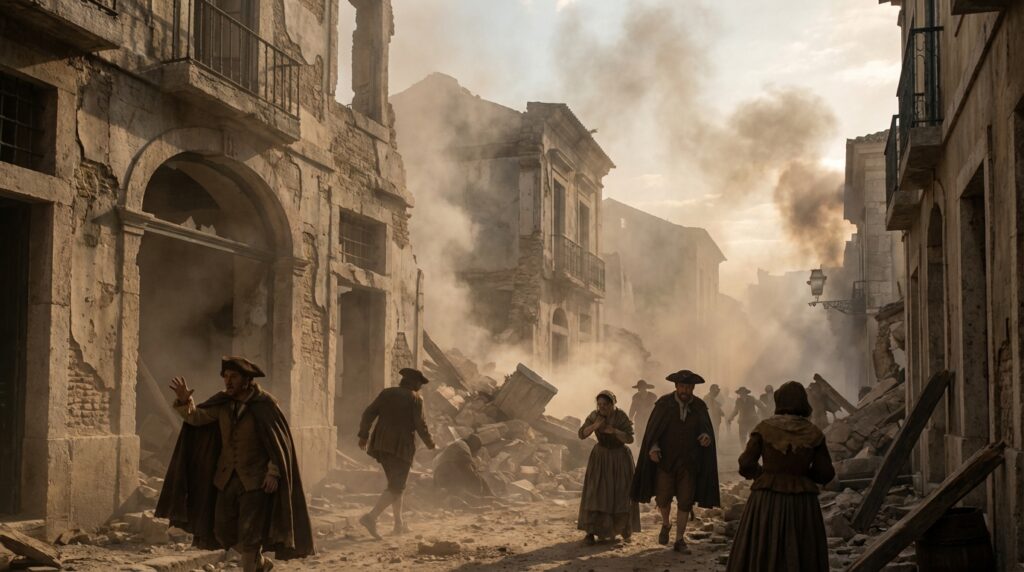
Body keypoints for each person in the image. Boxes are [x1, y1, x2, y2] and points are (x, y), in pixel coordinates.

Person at [157, 356, 314, 572]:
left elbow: (277, 443)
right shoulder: (223, 404)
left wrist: (273, 472)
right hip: (225, 479)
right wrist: (185, 402)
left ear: (247, 380)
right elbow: (197, 418)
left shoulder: (265, 405)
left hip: (255, 483)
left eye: (234, 377)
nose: (228, 382)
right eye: (226, 377)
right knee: (221, 532)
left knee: (249, 538)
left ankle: (251, 561)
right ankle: (259, 563)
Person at [726, 381, 836, 572]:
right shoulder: (813, 432)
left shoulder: (764, 428)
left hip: (766, 498)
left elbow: (745, 464)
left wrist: (765, 475)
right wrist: (802, 476)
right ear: (803, 402)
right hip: (802, 502)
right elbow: (825, 473)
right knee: (803, 550)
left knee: (763, 545)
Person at [631, 370, 720, 553]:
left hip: (689, 463)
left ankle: (679, 539)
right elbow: (653, 432)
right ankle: (666, 523)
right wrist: (653, 448)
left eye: (688, 387)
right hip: (666, 462)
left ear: (693, 388)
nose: (685, 390)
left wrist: (705, 437)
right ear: (676, 387)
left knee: (685, 501)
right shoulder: (664, 404)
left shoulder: (699, 406)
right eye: (682, 386)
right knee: (663, 499)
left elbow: (705, 429)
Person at [357, 368, 436, 539]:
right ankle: (371, 518)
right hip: (401, 447)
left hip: (381, 444)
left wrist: (364, 435)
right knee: (396, 486)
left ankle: (398, 524)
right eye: (420, 383)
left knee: (396, 484)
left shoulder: (387, 393)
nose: (420, 387)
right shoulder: (416, 398)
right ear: (414, 383)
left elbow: (368, 413)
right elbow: (420, 425)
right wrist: (431, 444)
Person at [577, 390, 642, 545]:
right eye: (599, 404)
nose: (602, 407)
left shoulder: (621, 417)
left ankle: (624, 530)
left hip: (620, 458)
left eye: (605, 404)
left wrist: (614, 431)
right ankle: (591, 532)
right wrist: (595, 425)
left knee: (620, 492)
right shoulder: (594, 415)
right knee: (596, 492)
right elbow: (581, 434)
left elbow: (630, 438)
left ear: (613, 404)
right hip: (601, 458)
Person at [628, 379, 658, 445]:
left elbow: (656, 408)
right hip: (639, 420)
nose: (641, 389)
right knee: (639, 438)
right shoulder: (636, 397)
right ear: (638, 389)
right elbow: (632, 409)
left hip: (650, 419)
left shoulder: (652, 397)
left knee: (650, 436)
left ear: (645, 388)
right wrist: (630, 419)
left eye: (643, 387)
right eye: (640, 388)